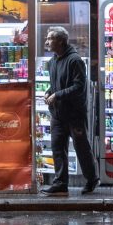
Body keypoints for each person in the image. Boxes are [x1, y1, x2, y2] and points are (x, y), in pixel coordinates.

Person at [42, 26, 99, 195]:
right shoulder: (52, 61)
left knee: (81, 148)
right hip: (57, 114)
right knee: (57, 148)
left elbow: (79, 87)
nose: (47, 41)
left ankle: (91, 179)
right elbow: (54, 85)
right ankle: (60, 183)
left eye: (51, 38)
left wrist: (57, 95)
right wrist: (49, 92)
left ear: (61, 41)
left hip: (75, 115)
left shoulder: (75, 61)